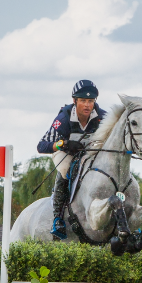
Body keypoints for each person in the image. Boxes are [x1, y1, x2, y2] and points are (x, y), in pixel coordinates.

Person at [37, 79, 107, 239]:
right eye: (83, 101)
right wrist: (64, 143)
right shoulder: (64, 117)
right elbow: (42, 146)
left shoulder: (102, 117)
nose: (87, 105)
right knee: (65, 169)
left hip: (90, 156)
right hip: (66, 153)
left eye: (91, 101)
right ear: (75, 101)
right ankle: (58, 218)